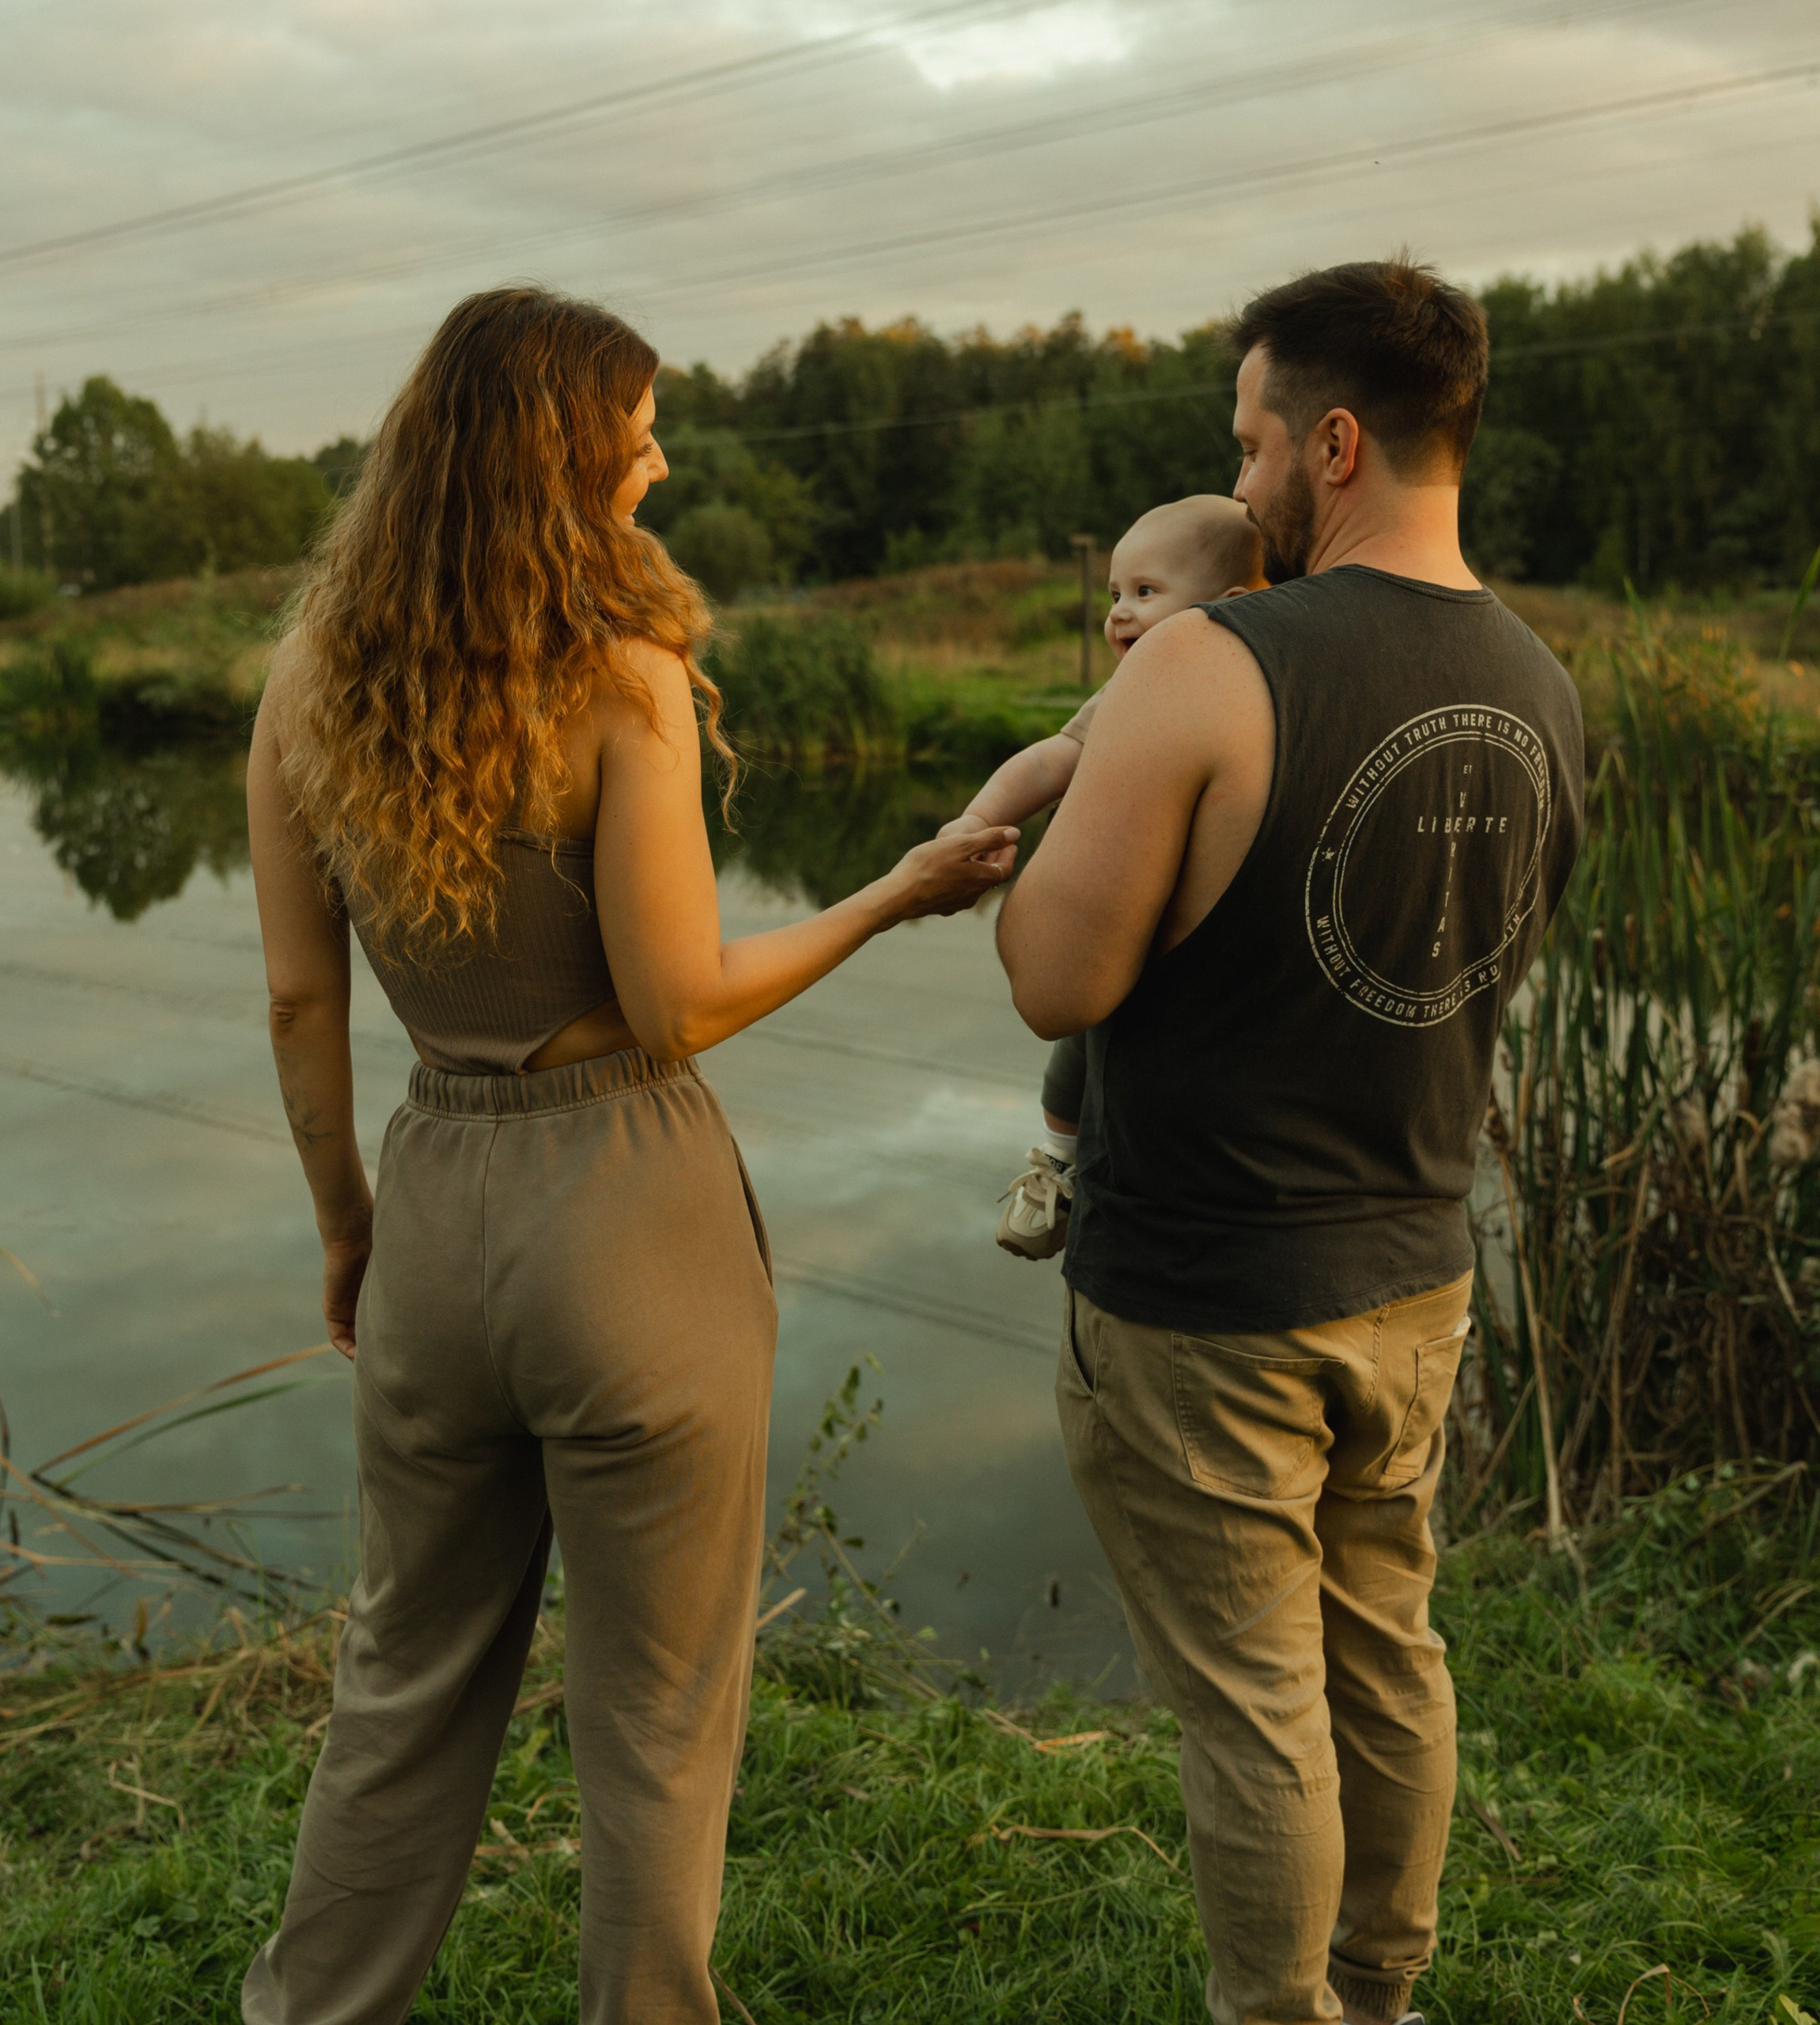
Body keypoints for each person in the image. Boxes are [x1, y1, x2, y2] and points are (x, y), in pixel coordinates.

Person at [240, 286, 1014, 2025]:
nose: (662, 450)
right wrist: (889, 892)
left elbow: (301, 1007)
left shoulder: (309, 678)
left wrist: (350, 1228)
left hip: (434, 1193)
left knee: (402, 1675)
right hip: (628, 1210)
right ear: (560, 450)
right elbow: (675, 1003)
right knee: (657, 1713)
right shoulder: (624, 676)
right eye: (639, 424)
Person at [996, 259, 1584, 2025]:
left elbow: (1053, 977)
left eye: (1247, 443)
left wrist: (1016, 846)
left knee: (1256, 1700)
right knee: (1384, 1650)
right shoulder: (1542, 684)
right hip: (1414, 1274)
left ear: (1328, 444)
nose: (1237, 483)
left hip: (1204, 1295)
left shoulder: (1205, 666)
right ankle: (1380, 1994)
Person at [939, 497, 1263, 1259]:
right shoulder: (1126, 694)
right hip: (1122, 934)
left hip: (1204, 961)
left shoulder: (1257, 693)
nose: (1119, 614)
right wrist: (975, 820)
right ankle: (1056, 1163)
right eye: (1114, 595)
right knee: (1082, 1049)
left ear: (1233, 608)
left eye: (1146, 594)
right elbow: (1051, 757)